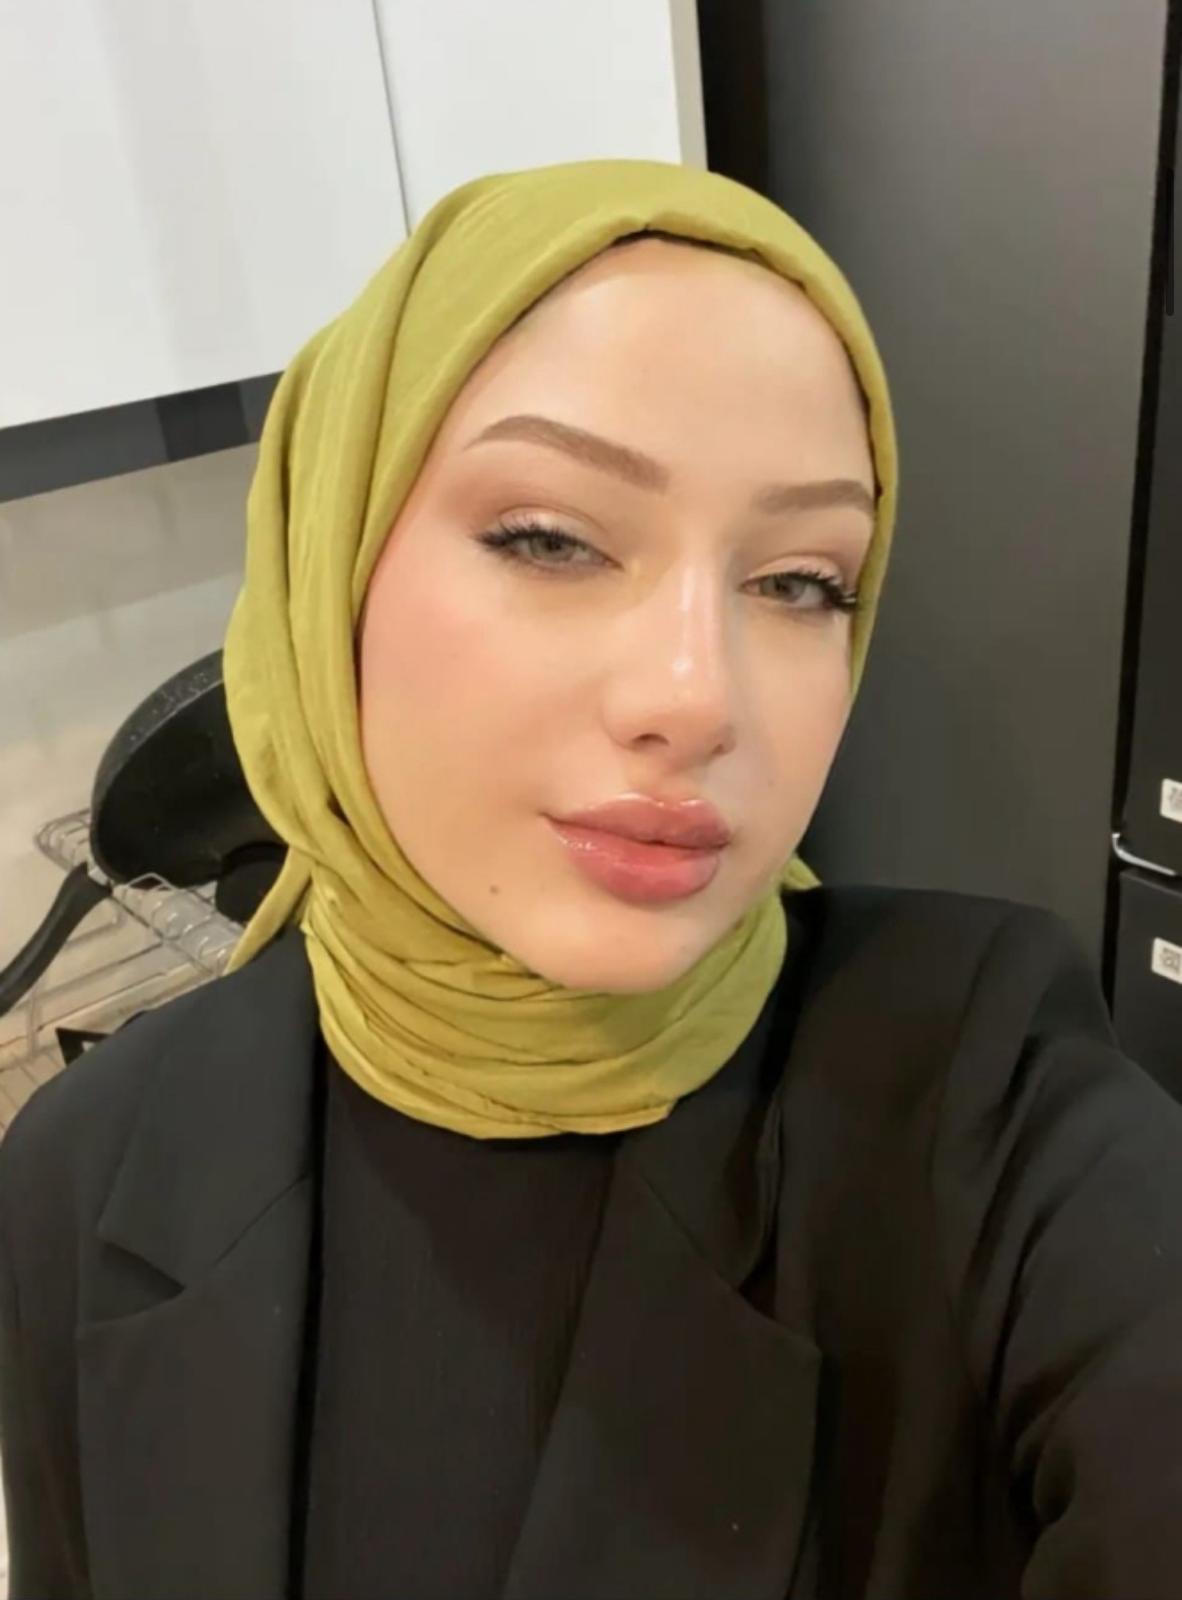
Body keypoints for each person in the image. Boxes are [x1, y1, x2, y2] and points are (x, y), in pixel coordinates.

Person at [1, 157, 1180, 1600]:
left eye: (800, 581)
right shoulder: (82, 1170)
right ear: (328, 570)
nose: (698, 697)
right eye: (549, 538)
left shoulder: (983, 1089)